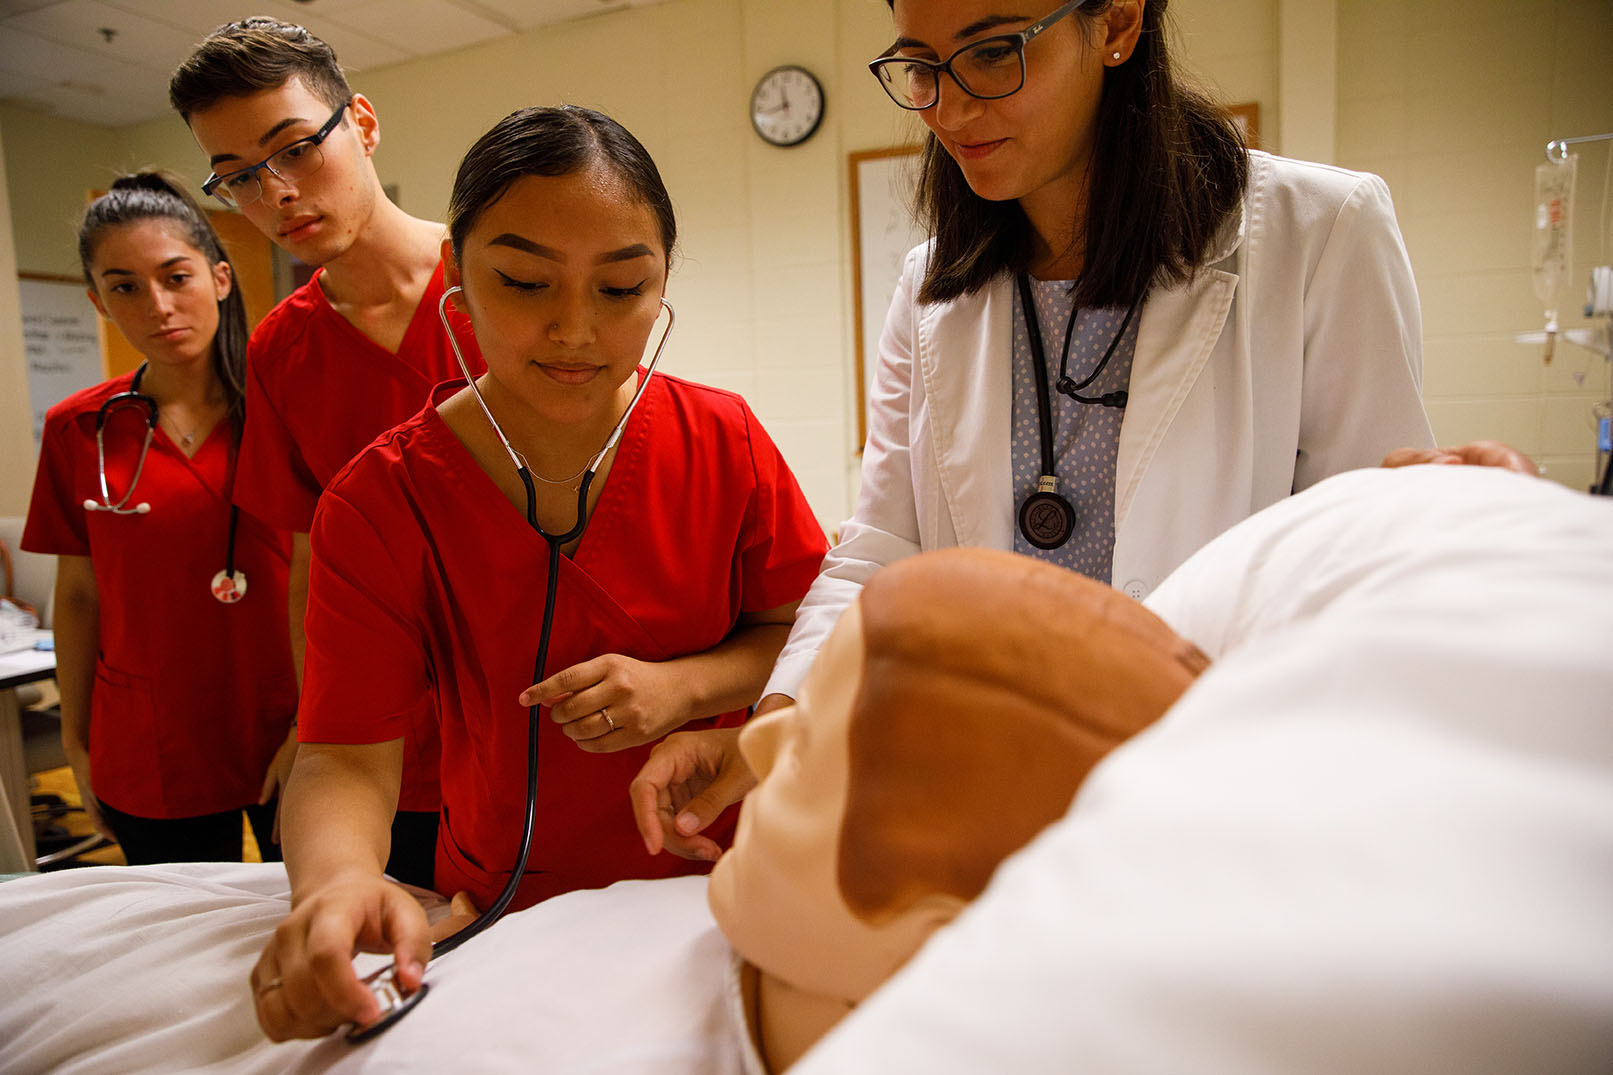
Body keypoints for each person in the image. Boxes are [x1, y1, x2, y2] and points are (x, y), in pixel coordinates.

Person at [631, 0, 1451, 857]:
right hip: (1000, 784)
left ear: (1116, 25)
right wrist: (777, 724)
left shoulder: (1317, 234)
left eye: (991, 54)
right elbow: (879, 545)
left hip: (1230, 789)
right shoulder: (929, 286)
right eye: (920, 66)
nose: (949, 107)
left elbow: (1363, 556)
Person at [247, 105, 828, 1042]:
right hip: (502, 903)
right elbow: (345, 752)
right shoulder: (378, 501)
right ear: (459, 286)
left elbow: (808, 642)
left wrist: (685, 687)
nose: (573, 329)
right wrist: (338, 883)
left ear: (662, 286)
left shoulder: (724, 444)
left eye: (621, 287)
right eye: (522, 281)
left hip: (724, 881)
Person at [168, 17, 485, 886]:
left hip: (537, 707)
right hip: (395, 743)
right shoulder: (281, 352)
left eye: (297, 149)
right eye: (236, 177)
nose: (275, 194)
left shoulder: (500, 281)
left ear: (365, 123)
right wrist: (319, 724)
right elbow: (312, 554)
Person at [21, 172, 297, 865]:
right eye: (124, 286)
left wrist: (320, 725)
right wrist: (80, 743)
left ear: (221, 277)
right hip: (152, 735)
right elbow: (80, 595)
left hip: (291, 718)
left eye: (176, 276)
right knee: (180, 935)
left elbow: (338, 580)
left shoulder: (288, 410)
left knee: (315, 923)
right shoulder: (77, 430)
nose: (158, 305)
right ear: (97, 301)